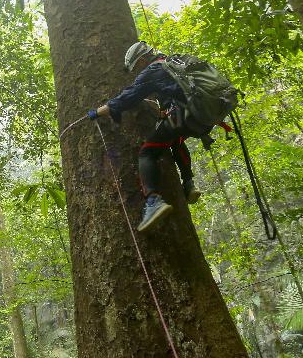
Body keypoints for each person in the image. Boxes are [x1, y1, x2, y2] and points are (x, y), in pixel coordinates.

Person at [87, 41, 210, 232]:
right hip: (198, 111)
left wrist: (100, 111)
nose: (137, 70)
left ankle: (153, 201)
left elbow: (129, 96)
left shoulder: (152, 69)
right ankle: (189, 183)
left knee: (147, 153)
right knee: (175, 141)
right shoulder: (171, 63)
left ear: (143, 59)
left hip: (182, 113)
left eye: (137, 66)